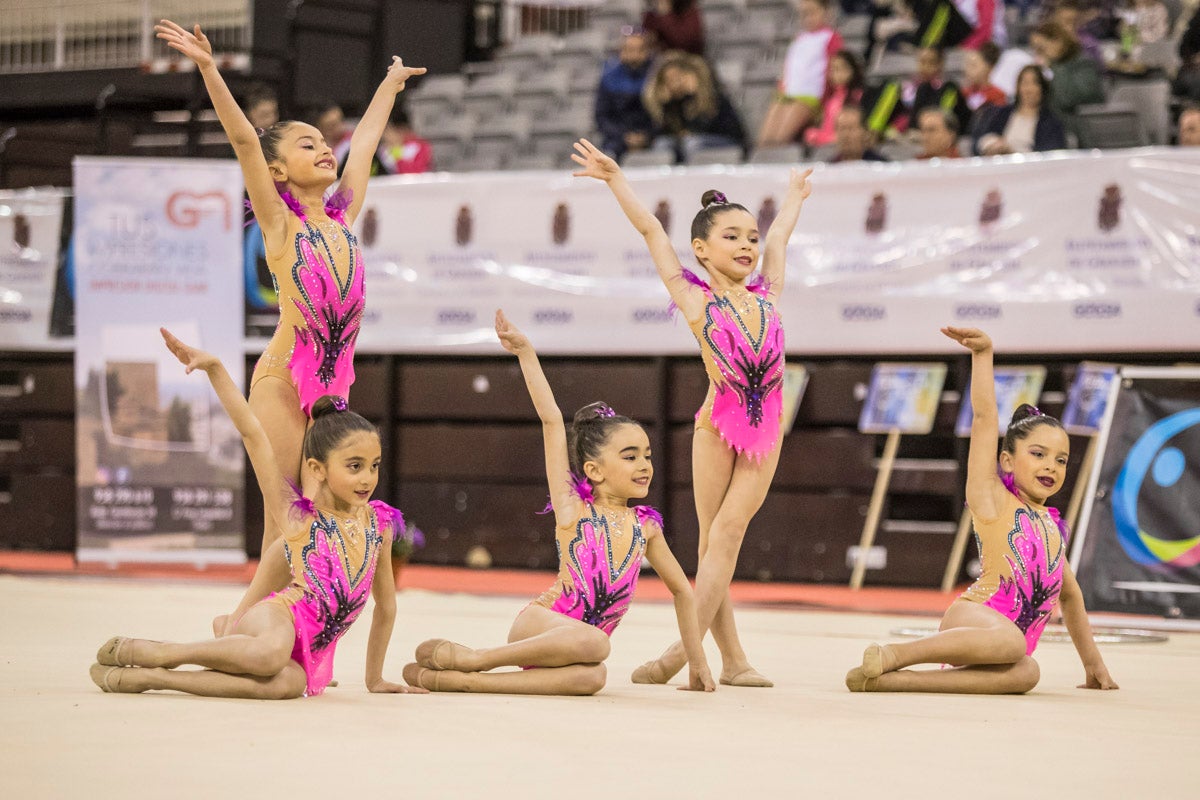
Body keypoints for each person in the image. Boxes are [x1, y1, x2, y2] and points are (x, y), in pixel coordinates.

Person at [152, 20, 424, 637]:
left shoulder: (342, 214)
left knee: (317, 518)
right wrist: (210, 69)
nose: (324, 149)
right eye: (306, 145)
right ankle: (245, 626)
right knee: (287, 519)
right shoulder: (282, 225)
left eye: (323, 142)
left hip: (333, 393)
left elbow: (365, 142)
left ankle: (260, 625)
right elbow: (244, 142)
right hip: (281, 381)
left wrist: (389, 86)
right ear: (277, 171)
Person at [574, 137, 812, 687]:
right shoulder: (696, 299)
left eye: (750, 237)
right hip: (715, 426)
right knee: (711, 545)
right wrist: (615, 179)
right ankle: (733, 661)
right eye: (732, 236)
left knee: (727, 534)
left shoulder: (769, 292)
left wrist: (794, 196)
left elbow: (780, 235)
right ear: (701, 250)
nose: (747, 245)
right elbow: (651, 231)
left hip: (764, 432)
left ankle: (676, 656)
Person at [88, 330, 419, 699]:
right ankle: (162, 653)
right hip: (276, 620)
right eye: (354, 466)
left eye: (374, 466)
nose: (367, 478)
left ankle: (154, 679)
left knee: (288, 685)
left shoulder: (379, 525)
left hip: (308, 649)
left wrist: (375, 679)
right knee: (270, 653)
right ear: (318, 468)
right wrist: (215, 369)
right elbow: (254, 436)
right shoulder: (301, 520)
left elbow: (386, 607)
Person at [402, 311, 715, 695]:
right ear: (594, 470)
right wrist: (525, 352)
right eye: (630, 456)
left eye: (647, 456)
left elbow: (683, 591)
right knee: (598, 644)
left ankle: (466, 681)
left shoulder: (645, 527)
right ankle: (479, 658)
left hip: (578, 650)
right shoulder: (574, 509)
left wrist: (697, 662)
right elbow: (551, 421)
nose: (644, 465)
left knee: (593, 677)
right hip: (540, 625)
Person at [845, 326, 1119, 694]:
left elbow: (1069, 597)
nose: (1051, 466)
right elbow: (985, 419)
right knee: (1014, 644)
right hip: (974, 619)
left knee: (1027, 672)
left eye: (1061, 460)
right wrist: (983, 354)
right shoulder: (992, 498)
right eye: (1038, 454)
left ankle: (893, 681)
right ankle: (895, 654)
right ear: (1007, 461)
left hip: (1004, 647)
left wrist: (1093, 663)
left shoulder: (1051, 528)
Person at [758, 0, 843, 147]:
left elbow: (834, 71)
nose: (807, 18)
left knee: (779, 141)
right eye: (803, 14)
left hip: (810, 96)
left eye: (811, 13)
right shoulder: (799, 40)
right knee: (764, 140)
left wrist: (826, 103)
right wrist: (782, 89)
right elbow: (789, 69)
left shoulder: (830, 38)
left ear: (826, 12)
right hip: (788, 94)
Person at [644, 52, 746, 162]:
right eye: (668, 79)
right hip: (688, 142)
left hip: (726, 141)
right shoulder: (672, 103)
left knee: (693, 143)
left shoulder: (712, 95)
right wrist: (666, 106)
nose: (674, 83)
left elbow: (704, 128)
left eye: (677, 77)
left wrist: (693, 96)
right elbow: (662, 133)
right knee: (662, 144)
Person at [1029, 22, 1105, 144]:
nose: (1039, 54)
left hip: (1081, 127)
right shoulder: (1049, 67)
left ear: (1058, 42)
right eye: (1035, 49)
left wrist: (1053, 66)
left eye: (1041, 48)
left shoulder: (1083, 64)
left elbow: (1067, 99)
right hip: (1050, 127)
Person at [973, 65, 1067, 155]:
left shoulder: (1050, 122)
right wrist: (992, 145)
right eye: (1025, 83)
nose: (1029, 89)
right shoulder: (1002, 113)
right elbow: (981, 139)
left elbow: (1051, 153)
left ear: (1043, 88)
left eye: (1035, 83)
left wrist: (1012, 152)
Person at [595, 28, 656, 160]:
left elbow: (662, 115)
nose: (634, 54)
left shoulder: (657, 75)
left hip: (653, 137)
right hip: (618, 138)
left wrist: (646, 136)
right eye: (629, 49)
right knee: (606, 156)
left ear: (647, 51)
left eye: (638, 49)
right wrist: (624, 136)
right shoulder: (609, 79)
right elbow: (602, 117)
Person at [804, 50, 866, 148]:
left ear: (852, 70)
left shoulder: (858, 95)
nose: (836, 74)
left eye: (840, 69)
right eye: (832, 70)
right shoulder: (830, 97)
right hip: (827, 141)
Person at [376, 105, 433, 175]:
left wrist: (396, 149)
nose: (385, 135)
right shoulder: (383, 150)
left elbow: (412, 171)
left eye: (388, 130)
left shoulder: (420, 146)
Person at [642, 0, 706, 56]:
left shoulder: (690, 10)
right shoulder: (651, 14)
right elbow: (647, 42)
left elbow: (683, 43)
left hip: (688, 59)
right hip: (660, 59)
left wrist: (665, 14)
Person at [961, 41, 1007, 118]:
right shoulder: (963, 93)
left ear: (989, 67)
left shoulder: (998, 96)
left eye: (973, 65)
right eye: (967, 65)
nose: (967, 70)